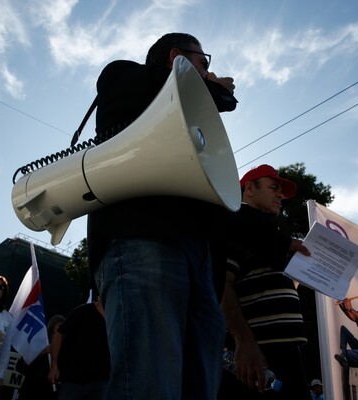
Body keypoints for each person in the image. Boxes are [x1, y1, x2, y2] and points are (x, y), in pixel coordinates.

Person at [88, 32, 237, 399]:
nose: (209, 71)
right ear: (177, 58)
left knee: (197, 383)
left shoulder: (190, 109)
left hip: (198, 259)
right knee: (148, 383)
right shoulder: (124, 76)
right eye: (204, 63)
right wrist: (210, 87)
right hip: (142, 239)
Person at [218, 164, 311, 399]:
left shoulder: (271, 235)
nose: (280, 195)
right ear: (250, 188)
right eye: (273, 188)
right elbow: (222, 284)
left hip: (288, 352)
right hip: (257, 357)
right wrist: (243, 341)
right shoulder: (236, 227)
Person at [48, 297, 109, 399]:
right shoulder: (82, 312)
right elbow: (59, 334)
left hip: (101, 382)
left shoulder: (117, 319)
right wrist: (54, 366)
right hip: (73, 381)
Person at [17, 314, 66, 400]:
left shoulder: (66, 350)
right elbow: (21, 366)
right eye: (60, 326)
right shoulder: (38, 344)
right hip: (30, 391)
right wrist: (42, 352)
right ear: (52, 329)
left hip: (51, 394)